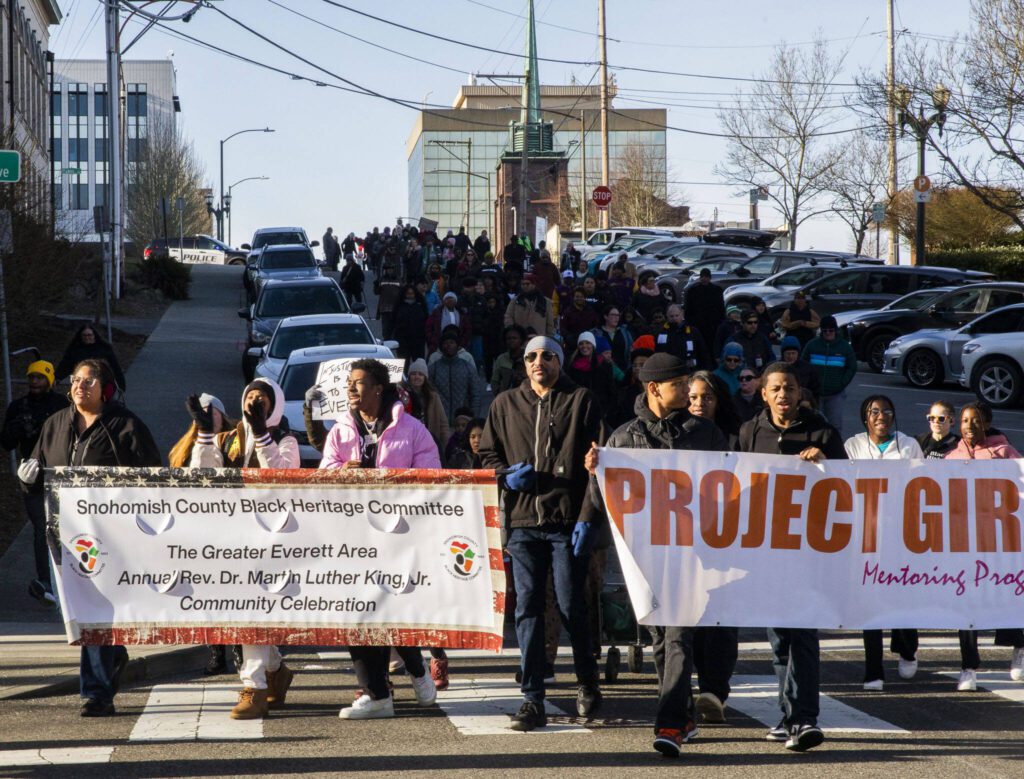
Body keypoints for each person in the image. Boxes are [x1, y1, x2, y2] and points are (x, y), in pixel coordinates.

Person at [584, 353, 729, 757]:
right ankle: (683, 715)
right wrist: (595, 471)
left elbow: (728, 489)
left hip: (691, 555)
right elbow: (603, 502)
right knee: (661, 640)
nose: (689, 390)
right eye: (680, 385)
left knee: (679, 636)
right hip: (643, 559)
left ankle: (667, 725)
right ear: (653, 389)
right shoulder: (623, 437)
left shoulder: (705, 433)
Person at [18, 358, 160, 717]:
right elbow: (37, 475)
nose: (79, 386)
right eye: (76, 380)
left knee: (96, 610)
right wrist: (26, 478)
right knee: (82, 612)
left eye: (89, 380)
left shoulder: (126, 426)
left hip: (114, 538)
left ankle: (96, 692)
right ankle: (113, 656)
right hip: (66, 538)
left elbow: (155, 480)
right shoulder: (55, 424)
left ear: (105, 388)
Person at [479, 336, 604, 731]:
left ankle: (587, 681)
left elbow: (602, 459)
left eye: (547, 355)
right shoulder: (504, 404)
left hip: (567, 521)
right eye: (531, 356)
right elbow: (487, 454)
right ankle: (532, 698)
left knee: (571, 605)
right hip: (522, 523)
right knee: (527, 609)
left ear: (559, 361)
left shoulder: (581, 399)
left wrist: (588, 515)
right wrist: (505, 476)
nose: (538, 361)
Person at [319, 358, 441, 718]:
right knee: (358, 614)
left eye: (358, 383)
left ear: (377, 389)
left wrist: (386, 479)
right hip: (352, 540)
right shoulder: (339, 431)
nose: (351, 390)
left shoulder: (413, 429)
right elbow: (322, 477)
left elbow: (431, 477)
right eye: (348, 384)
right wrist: (344, 471)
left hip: (399, 538)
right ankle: (376, 696)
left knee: (393, 610)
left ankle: (418, 671)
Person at [737, 362, 846, 752]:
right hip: (768, 551)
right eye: (776, 388)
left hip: (809, 552)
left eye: (790, 388)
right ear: (763, 394)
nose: (784, 395)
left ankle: (805, 718)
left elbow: (851, 488)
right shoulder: (750, 432)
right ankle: (787, 716)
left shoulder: (824, 433)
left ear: (801, 394)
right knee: (779, 637)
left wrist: (827, 465)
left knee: (803, 634)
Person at [189, 378, 299, 719]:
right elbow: (203, 475)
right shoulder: (230, 440)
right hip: (234, 538)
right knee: (247, 610)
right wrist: (205, 434)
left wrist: (262, 434)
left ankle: (254, 686)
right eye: (250, 397)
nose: (254, 402)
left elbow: (282, 477)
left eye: (262, 399)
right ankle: (276, 670)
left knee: (252, 610)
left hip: (272, 539)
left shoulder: (286, 439)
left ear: (275, 405)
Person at [843, 395, 924, 691]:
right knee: (870, 601)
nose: (880, 416)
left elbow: (922, 484)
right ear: (865, 417)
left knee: (901, 595)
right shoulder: (852, 445)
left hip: (900, 533)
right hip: (866, 535)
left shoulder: (909, 445)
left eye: (886, 411)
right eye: (874, 411)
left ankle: (906, 646)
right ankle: (873, 670)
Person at [945, 401, 1024, 690]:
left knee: (1007, 594)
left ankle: (1019, 648)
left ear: (987, 424)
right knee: (967, 604)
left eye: (975, 421)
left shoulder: (1004, 453)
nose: (969, 426)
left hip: (1000, 540)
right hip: (965, 543)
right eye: (965, 421)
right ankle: (968, 667)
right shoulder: (951, 458)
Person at [1, 360, 68, 606]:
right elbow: (6, 443)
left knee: (66, 529)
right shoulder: (19, 407)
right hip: (32, 477)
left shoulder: (62, 405)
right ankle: (46, 582)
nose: (34, 382)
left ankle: (68, 578)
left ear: (49, 380)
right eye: (31, 377)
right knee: (42, 528)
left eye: (40, 377)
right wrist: (16, 429)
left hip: (60, 473)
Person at [801, 315, 856, 436]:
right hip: (815, 394)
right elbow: (803, 364)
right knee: (814, 423)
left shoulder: (844, 347)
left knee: (835, 425)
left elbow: (852, 367)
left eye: (831, 330)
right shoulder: (812, 345)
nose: (828, 333)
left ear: (836, 330)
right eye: (824, 330)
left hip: (835, 394)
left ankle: (835, 451)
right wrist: (808, 383)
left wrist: (841, 383)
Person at [429, 328, 483, 423]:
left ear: (457, 346)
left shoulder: (467, 367)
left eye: (452, 342)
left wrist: (473, 417)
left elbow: (476, 394)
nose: (449, 345)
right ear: (441, 347)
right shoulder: (434, 368)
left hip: (463, 422)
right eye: (445, 343)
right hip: (440, 421)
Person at [55, 324, 127, 392]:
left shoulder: (104, 348)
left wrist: (121, 385)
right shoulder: (75, 350)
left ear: (94, 336)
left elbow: (115, 367)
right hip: (82, 383)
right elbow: (65, 365)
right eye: (84, 335)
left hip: (103, 383)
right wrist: (56, 378)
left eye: (89, 335)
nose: (87, 338)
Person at [404, 359, 450, 459]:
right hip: (407, 440)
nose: (417, 377)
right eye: (414, 374)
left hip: (429, 441)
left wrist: (445, 445)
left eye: (420, 374)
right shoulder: (402, 394)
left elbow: (443, 422)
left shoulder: (433, 396)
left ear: (425, 378)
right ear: (409, 376)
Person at [566, 332, 616, 415]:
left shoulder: (603, 364)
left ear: (593, 345)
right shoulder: (573, 365)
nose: (584, 346)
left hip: (600, 409)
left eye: (588, 343)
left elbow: (610, 388)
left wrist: (608, 409)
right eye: (581, 343)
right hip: (579, 408)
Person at [655, 304, 710, 371]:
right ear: (667, 316)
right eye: (671, 316)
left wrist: (706, 369)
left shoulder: (693, 332)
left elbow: (703, 352)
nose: (674, 318)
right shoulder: (661, 332)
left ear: (682, 315)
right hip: (669, 370)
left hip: (690, 370)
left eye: (677, 315)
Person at [684, 267, 726, 352]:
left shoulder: (717, 290)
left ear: (709, 278)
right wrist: (689, 320)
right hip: (698, 323)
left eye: (706, 276)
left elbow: (721, 306)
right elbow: (688, 307)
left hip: (712, 323)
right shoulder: (693, 291)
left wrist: (721, 320)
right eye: (702, 276)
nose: (704, 279)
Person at [591, 305, 634, 377]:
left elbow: (631, 350)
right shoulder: (596, 332)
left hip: (623, 370)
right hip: (603, 371)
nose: (616, 317)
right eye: (613, 315)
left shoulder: (625, 332)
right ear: (605, 316)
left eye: (618, 315)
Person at [392, 284, 429, 364]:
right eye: (408, 293)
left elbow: (426, 320)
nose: (410, 295)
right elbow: (393, 322)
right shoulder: (399, 306)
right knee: (403, 365)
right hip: (403, 341)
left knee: (419, 364)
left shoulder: (420, 306)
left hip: (418, 341)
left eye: (412, 293)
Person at [426, 292, 472, 356]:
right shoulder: (436, 313)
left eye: (452, 299)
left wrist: (462, 343)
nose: (450, 300)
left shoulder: (461, 314)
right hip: (438, 345)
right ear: (444, 301)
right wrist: (434, 341)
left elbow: (467, 329)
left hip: (457, 346)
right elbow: (429, 328)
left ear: (455, 301)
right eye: (447, 299)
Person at [491, 325, 528, 395]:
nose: (511, 341)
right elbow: (495, 381)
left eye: (514, 338)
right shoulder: (501, 359)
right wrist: (499, 394)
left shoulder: (528, 357)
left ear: (521, 340)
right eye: (508, 338)